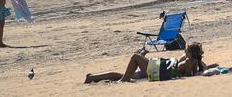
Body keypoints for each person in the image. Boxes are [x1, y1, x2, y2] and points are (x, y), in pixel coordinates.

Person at [84, 44, 213, 83]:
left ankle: (123, 81)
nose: (184, 51)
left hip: (159, 70)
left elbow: (191, 72)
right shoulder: (196, 62)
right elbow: (202, 69)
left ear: (190, 53)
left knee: (135, 57)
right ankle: (92, 78)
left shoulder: (189, 61)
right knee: (122, 74)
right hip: (159, 68)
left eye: (187, 50)